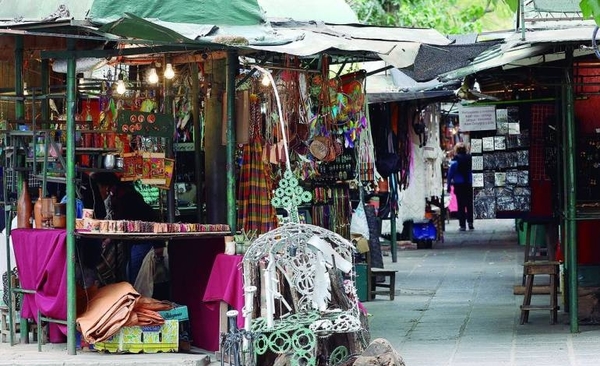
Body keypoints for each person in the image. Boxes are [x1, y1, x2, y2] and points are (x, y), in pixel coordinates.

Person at [446, 142, 474, 231]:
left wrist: (449, 185)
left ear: (456, 150)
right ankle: (470, 223)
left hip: (459, 185)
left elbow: (450, 175)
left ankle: (462, 225)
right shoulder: (471, 159)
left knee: (461, 205)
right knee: (469, 204)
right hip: (469, 184)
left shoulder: (454, 162)